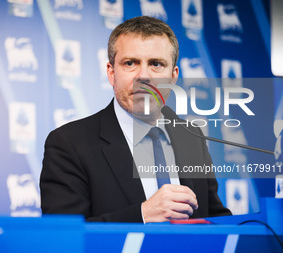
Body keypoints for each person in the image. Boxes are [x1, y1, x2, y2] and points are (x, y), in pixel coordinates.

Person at [40, 16, 231, 222]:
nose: (143, 76)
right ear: (111, 73)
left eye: (156, 64)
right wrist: (143, 215)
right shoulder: (69, 143)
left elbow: (214, 217)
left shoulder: (192, 137)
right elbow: (66, 237)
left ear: (173, 76)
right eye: (130, 63)